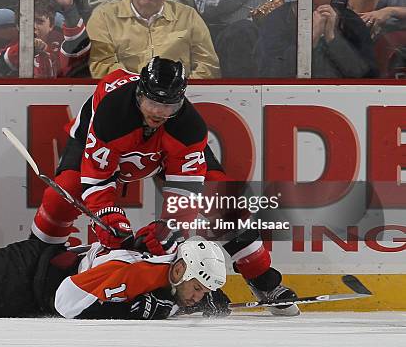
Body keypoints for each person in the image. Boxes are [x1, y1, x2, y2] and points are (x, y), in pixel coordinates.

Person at [31, 56, 300, 316]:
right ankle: (34, 259)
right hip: (103, 146)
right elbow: (98, 178)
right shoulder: (112, 113)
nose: (159, 113)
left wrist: (169, 229)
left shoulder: (188, 127)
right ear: (139, 94)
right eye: (152, 103)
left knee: (222, 198)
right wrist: (109, 218)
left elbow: (185, 197)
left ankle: (263, 278)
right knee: (63, 191)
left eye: (169, 106)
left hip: (161, 153)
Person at [0, 146, 230, 319]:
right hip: (29, 276)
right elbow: (67, 301)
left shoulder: (171, 273)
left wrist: (193, 304)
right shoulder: (137, 273)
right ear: (179, 270)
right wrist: (132, 310)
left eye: (205, 291)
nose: (199, 295)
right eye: (199, 287)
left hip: (30, 289)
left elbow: (159, 277)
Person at [86, 0, 220, 79]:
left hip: (178, 98)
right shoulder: (104, 16)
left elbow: (208, 66)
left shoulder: (189, 17)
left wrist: (177, 91)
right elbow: (101, 64)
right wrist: (139, 89)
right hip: (124, 97)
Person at [256, 0, 378, 78]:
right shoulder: (276, 20)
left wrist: (332, 38)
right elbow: (269, 73)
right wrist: (311, 40)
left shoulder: (350, 21)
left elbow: (367, 75)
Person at [0, 0, 90, 78]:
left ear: (51, 25)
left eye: (39, 21)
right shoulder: (12, 43)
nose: (33, 26)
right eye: (27, 22)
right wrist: (22, 49)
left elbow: (78, 56)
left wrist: (69, 8)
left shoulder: (60, 43)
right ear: (18, 26)